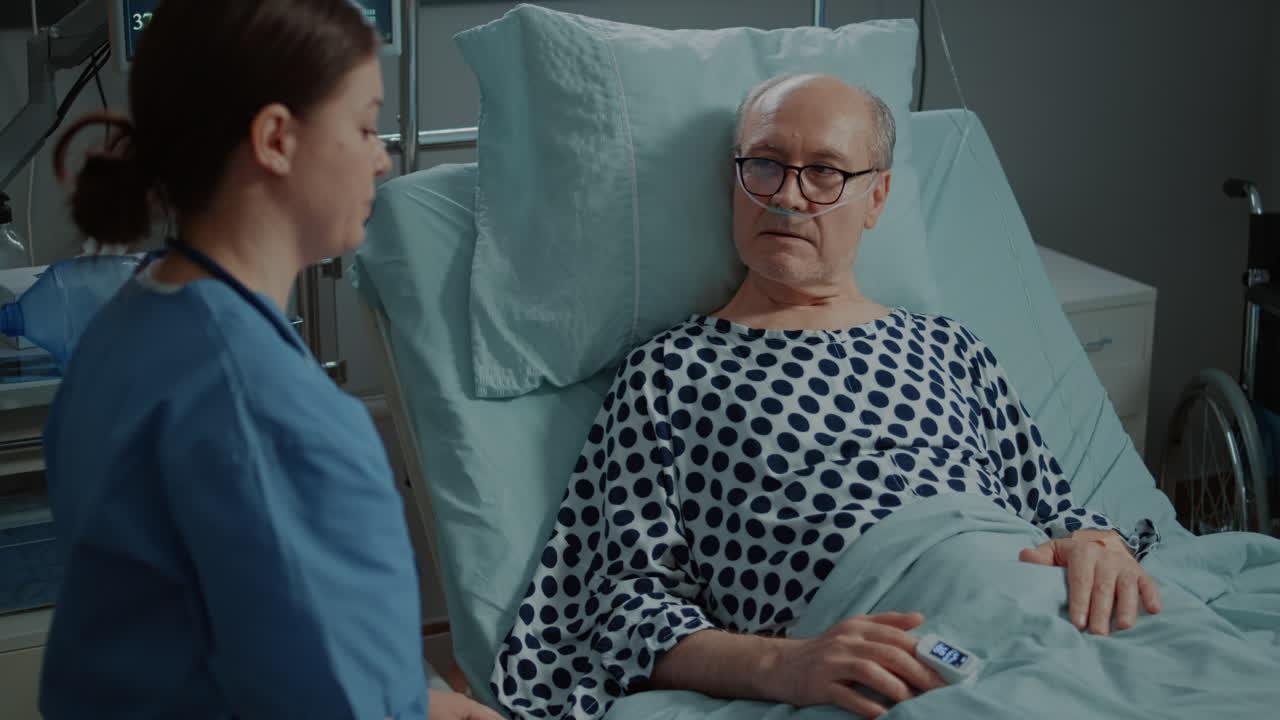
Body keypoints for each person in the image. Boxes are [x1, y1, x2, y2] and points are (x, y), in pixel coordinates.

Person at [491, 74, 1162, 720]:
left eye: (825, 172)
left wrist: (1098, 542)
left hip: (1051, 613)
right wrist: (785, 665)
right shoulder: (667, 374)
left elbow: (1057, 509)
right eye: (765, 164)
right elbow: (623, 611)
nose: (787, 194)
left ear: (876, 199)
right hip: (894, 658)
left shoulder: (951, 348)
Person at [38, 2, 500, 718]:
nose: (382, 156)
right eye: (364, 125)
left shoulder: (126, 327)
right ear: (277, 138)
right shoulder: (277, 421)